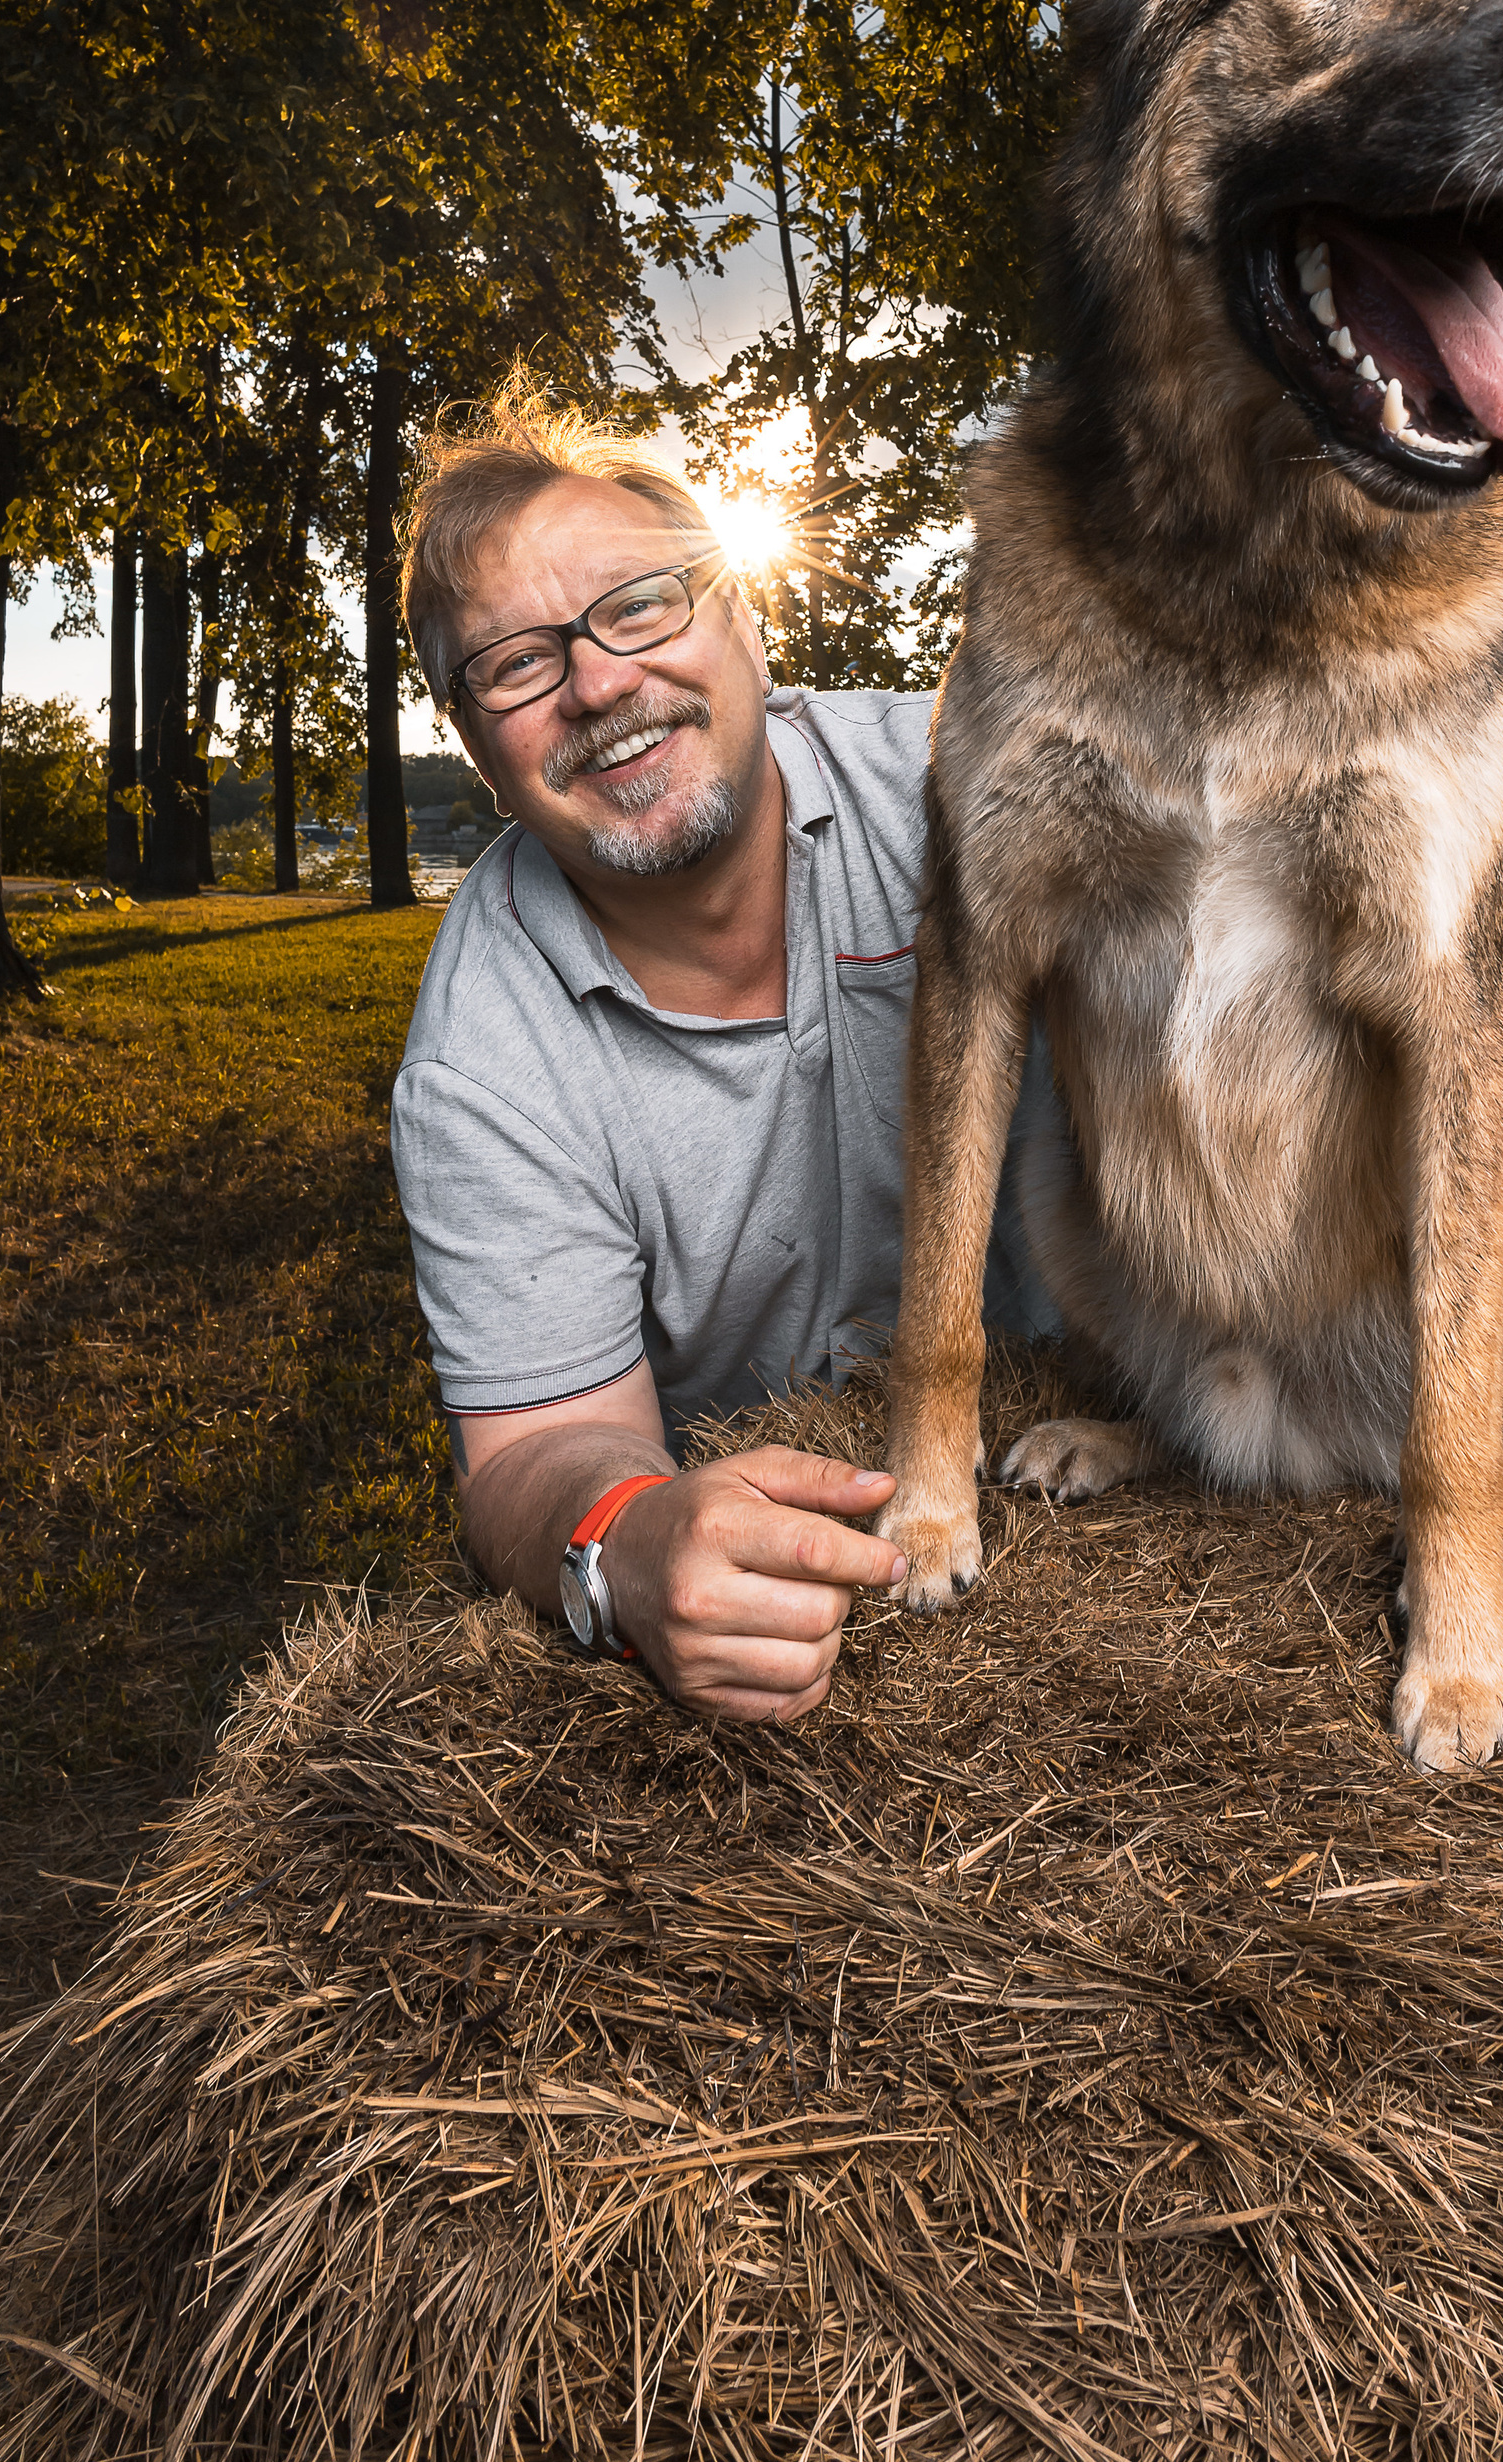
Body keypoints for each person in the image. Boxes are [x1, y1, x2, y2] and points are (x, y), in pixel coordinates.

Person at [388, 384, 1050, 1725]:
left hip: (1107, 1424)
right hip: (792, 1555)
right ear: (477, 751)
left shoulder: (961, 789)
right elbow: (532, 1453)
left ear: (747, 617)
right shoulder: (481, 1061)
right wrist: (632, 1542)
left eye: (641, 605)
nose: (598, 682)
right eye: (518, 664)